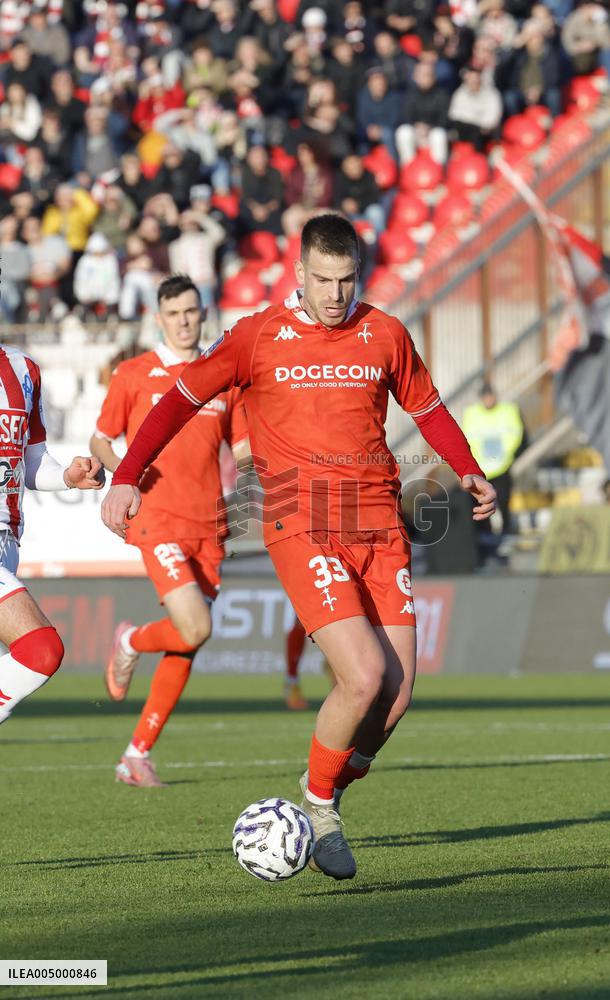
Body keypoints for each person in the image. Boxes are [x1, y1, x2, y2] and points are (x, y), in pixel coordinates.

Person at [101, 214, 495, 877]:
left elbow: (427, 409)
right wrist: (124, 477)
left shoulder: (385, 333)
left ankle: (328, 788)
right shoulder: (257, 336)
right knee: (364, 676)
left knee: (395, 698)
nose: (337, 294)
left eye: (347, 280)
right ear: (299, 272)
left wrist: (468, 467)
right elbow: (175, 404)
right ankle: (319, 808)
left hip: (379, 524)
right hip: (301, 522)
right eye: (324, 280)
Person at [90, 274, 249, 788]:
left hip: (211, 524)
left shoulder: (221, 377)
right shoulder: (134, 374)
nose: (184, 321)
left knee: (187, 641)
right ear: (159, 318)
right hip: (156, 518)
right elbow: (100, 439)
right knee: (196, 626)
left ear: (203, 315)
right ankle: (131, 639)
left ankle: (136, 755)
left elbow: (244, 450)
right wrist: (126, 476)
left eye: (192, 311)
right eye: (174, 313)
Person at [0, 345, 104, 727]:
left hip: (8, 541)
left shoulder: (24, 369)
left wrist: (67, 477)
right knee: (39, 650)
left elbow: (32, 460)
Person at [462, 382, 526, 535]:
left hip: (501, 466)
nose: (489, 400)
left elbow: (518, 435)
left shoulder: (508, 410)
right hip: (481, 470)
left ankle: (506, 531)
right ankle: (486, 535)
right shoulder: (472, 414)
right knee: (483, 505)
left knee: (503, 502)